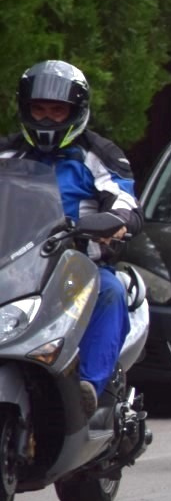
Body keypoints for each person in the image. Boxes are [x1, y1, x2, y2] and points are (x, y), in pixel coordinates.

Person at [0, 61, 140, 417]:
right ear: (25, 109)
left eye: (57, 110)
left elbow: (125, 199)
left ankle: (87, 389)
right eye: (39, 109)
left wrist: (117, 220)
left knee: (111, 291)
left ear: (76, 112)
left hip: (77, 269)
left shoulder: (99, 154)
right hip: (13, 270)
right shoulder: (7, 153)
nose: (47, 119)